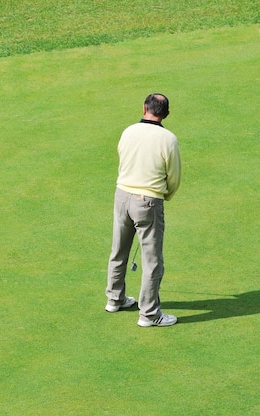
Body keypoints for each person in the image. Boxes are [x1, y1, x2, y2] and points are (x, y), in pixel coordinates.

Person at [104, 93, 182, 327]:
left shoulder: (128, 131)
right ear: (166, 113)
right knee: (152, 260)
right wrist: (164, 195)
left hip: (121, 197)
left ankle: (114, 299)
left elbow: (122, 159)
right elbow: (174, 176)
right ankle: (149, 314)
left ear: (144, 108)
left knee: (118, 251)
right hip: (148, 201)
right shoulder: (168, 139)